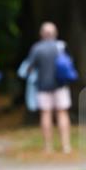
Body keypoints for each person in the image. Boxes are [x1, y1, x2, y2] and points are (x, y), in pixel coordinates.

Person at [25, 22, 72, 154]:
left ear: (42, 34)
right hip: (61, 85)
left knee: (46, 114)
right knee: (62, 113)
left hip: (43, 86)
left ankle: (48, 147)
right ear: (55, 33)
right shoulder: (61, 46)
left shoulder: (37, 48)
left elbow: (29, 68)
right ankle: (66, 146)